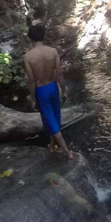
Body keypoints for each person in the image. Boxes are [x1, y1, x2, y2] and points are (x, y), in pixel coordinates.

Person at [23, 24, 73, 159]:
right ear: (43, 36)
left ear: (30, 38)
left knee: (51, 121)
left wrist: (34, 98)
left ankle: (67, 152)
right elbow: (59, 74)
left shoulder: (28, 57)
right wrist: (64, 91)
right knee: (55, 118)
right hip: (53, 87)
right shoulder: (53, 51)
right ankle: (51, 145)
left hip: (41, 90)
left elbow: (31, 80)